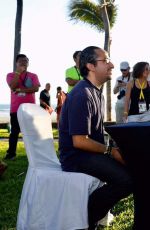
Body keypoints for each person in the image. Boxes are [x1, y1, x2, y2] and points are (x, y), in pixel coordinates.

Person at [59, 46, 133, 230]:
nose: (112, 64)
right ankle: (85, 219)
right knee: (127, 180)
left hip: (90, 153)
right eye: (106, 60)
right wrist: (109, 151)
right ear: (91, 66)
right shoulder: (82, 94)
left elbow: (96, 132)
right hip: (76, 157)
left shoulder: (95, 91)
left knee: (135, 166)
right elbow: (79, 141)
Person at [5, 54, 40, 160]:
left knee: (31, 132)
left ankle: (34, 154)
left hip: (30, 108)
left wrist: (21, 90)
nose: (24, 62)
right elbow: (13, 86)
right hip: (16, 108)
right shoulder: (10, 75)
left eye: (26, 61)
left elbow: (35, 88)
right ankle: (11, 154)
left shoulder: (33, 75)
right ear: (16, 63)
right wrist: (18, 73)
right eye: (21, 61)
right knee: (14, 132)